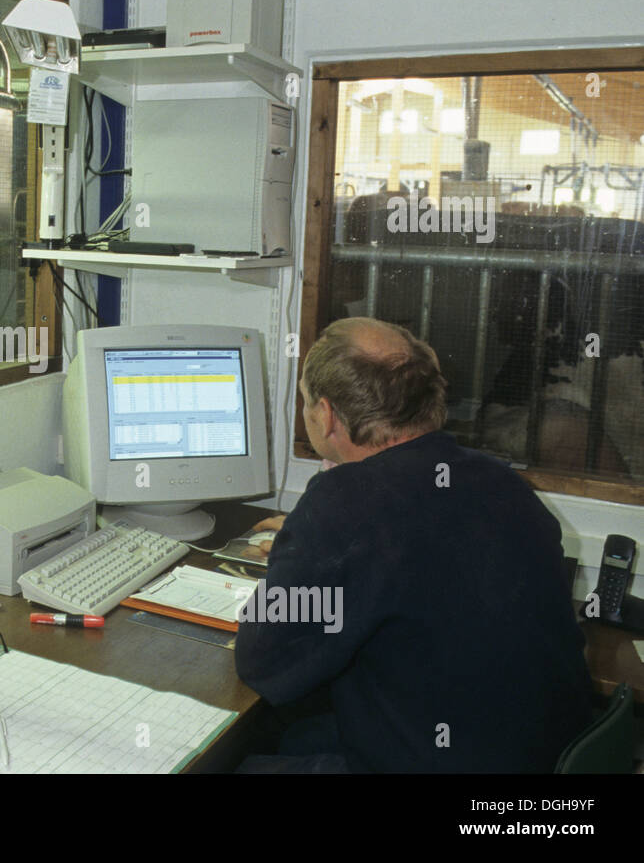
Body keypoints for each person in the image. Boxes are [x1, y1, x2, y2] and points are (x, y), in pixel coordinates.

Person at [234, 317, 592, 773]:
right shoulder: (501, 482)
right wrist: (313, 543)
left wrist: (307, 548)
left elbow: (262, 661)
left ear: (325, 416)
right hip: (532, 753)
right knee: (296, 735)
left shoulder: (344, 508)